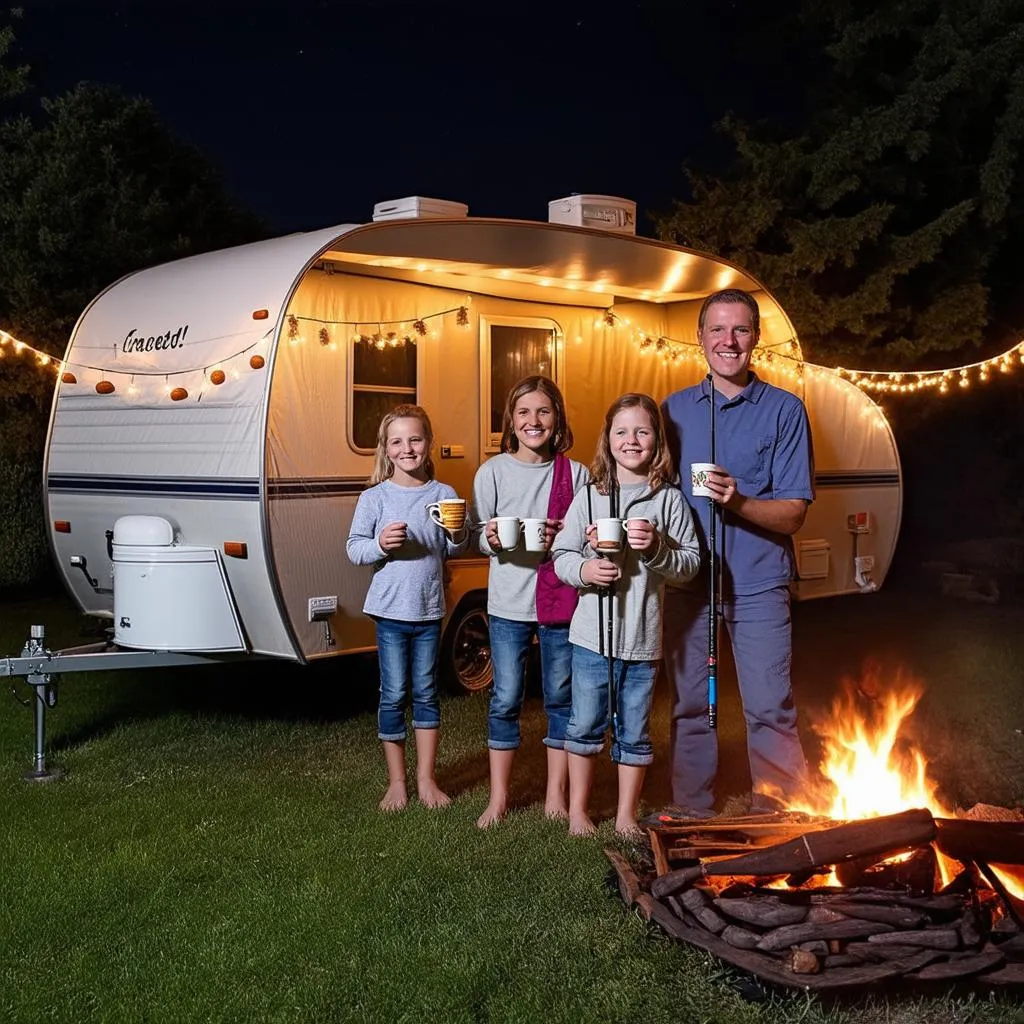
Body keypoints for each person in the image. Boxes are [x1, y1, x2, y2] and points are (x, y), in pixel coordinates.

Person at [661, 288, 814, 817]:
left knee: (769, 706)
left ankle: (780, 813)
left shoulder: (784, 411)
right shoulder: (673, 411)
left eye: (740, 330)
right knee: (689, 705)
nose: (729, 341)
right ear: (700, 338)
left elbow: (794, 512)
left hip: (757, 584)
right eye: (718, 330)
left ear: (755, 339)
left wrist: (739, 500)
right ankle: (691, 810)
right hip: (689, 583)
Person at [552, 394, 700, 837]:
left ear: (657, 441)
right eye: (621, 431)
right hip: (590, 637)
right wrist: (585, 569)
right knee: (583, 723)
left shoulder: (668, 501)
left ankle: (624, 816)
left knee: (634, 729)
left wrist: (656, 547)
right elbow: (561, 554)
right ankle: (578, 811)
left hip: (642, 636)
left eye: (642, 431)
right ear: (607, 439)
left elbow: (690, 566)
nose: (631, 440)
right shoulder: (590, 496)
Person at [471, 375, 588, 828]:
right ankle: (498, 799)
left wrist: (568, 535)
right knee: (505, 698)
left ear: (557, 418)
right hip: (507, 604)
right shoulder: (493, 471)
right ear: (511, 421)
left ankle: (555, 797)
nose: (533, 421)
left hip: (559, 600)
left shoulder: (575, 474)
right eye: (523, 412)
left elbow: (586, 541)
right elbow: (477, 535)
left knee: (560, 698)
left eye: (543, 411)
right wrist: (491, 535)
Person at [346, 403, 468, 812]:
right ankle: (397, 782)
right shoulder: (374, 497)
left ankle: (426, 780)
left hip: (429, 610)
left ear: (428, 443)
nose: (407, 448)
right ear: (385, 448)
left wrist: (457, 530)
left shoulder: (444, 494)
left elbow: (454, 547)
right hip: (389, 611)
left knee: (427, 693)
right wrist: (380, 544)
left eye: (415, 439)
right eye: (397, 441)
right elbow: (354, 548)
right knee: (394, 692)